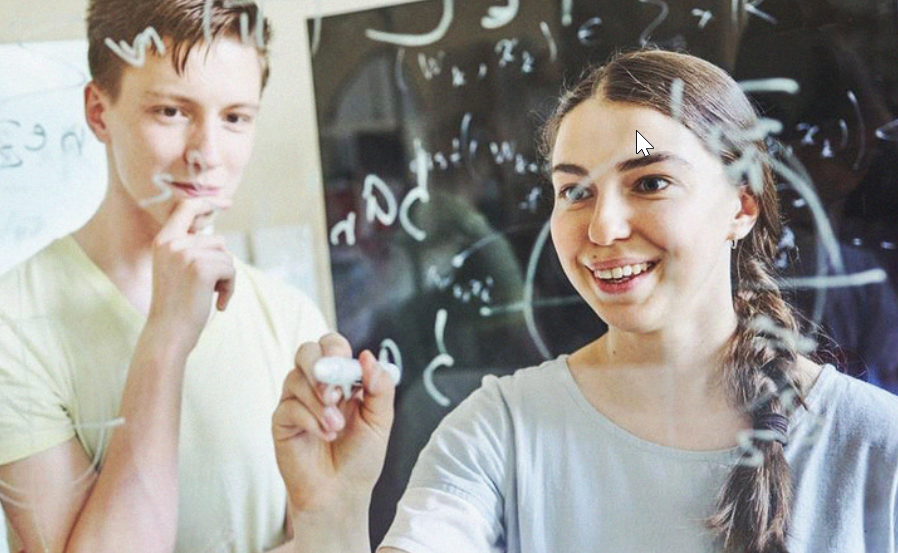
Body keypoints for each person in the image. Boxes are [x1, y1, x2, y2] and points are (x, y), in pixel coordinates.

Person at [272, 49, 898, 552]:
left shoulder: (875, 446)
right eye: (574, 192)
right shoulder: (495, 432)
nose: (602, 229)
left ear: (739, 207)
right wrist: (332, 517)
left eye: (650, 182)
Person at [0, 0, 328, 552]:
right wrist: (165, 338)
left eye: (236, 118)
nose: (208, 154)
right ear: (99, 112)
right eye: (171, 111)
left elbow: (327, 539)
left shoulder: (290, 318)